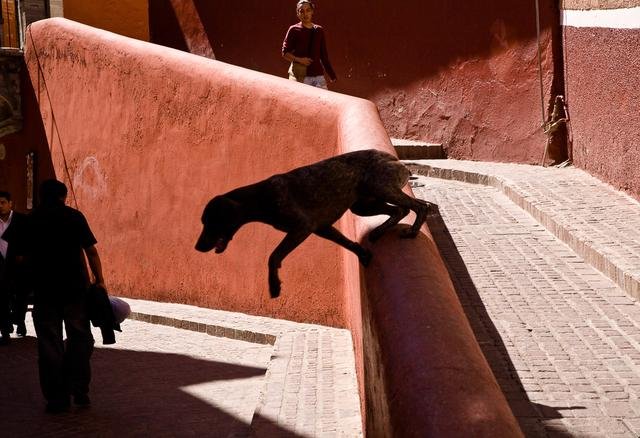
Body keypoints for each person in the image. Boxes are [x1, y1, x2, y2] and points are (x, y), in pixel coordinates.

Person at [16, 179, 106, 413]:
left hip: (44, 292)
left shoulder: (29, 220)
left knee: (49, 345)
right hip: (75, 290)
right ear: (63, 196)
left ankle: (57, 397)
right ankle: (80, 389)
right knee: (80, 340)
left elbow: (18, 259)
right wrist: (100, 280)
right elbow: (91, 251)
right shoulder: (75, 217)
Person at [282, 0, 337, 89]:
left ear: (312, 12)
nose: (305, 14)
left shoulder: (319, 30)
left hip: (318, 75)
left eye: (308, 10)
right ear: (298, 13)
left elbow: (324, 56)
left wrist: (332, 75)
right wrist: (299, 60)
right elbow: (285, 53)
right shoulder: (293, 29)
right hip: (301, 76)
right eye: (301, 11)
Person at [0, 190, 29, 343]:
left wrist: (23, 255)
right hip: (1, 266)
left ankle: (20, 322)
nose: (0, 206)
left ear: (10, 204)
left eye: (3, 202)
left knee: (20, 297)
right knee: (2, 298)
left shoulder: (21, 220)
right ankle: (4, 330)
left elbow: (29, 241)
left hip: (19, 266)